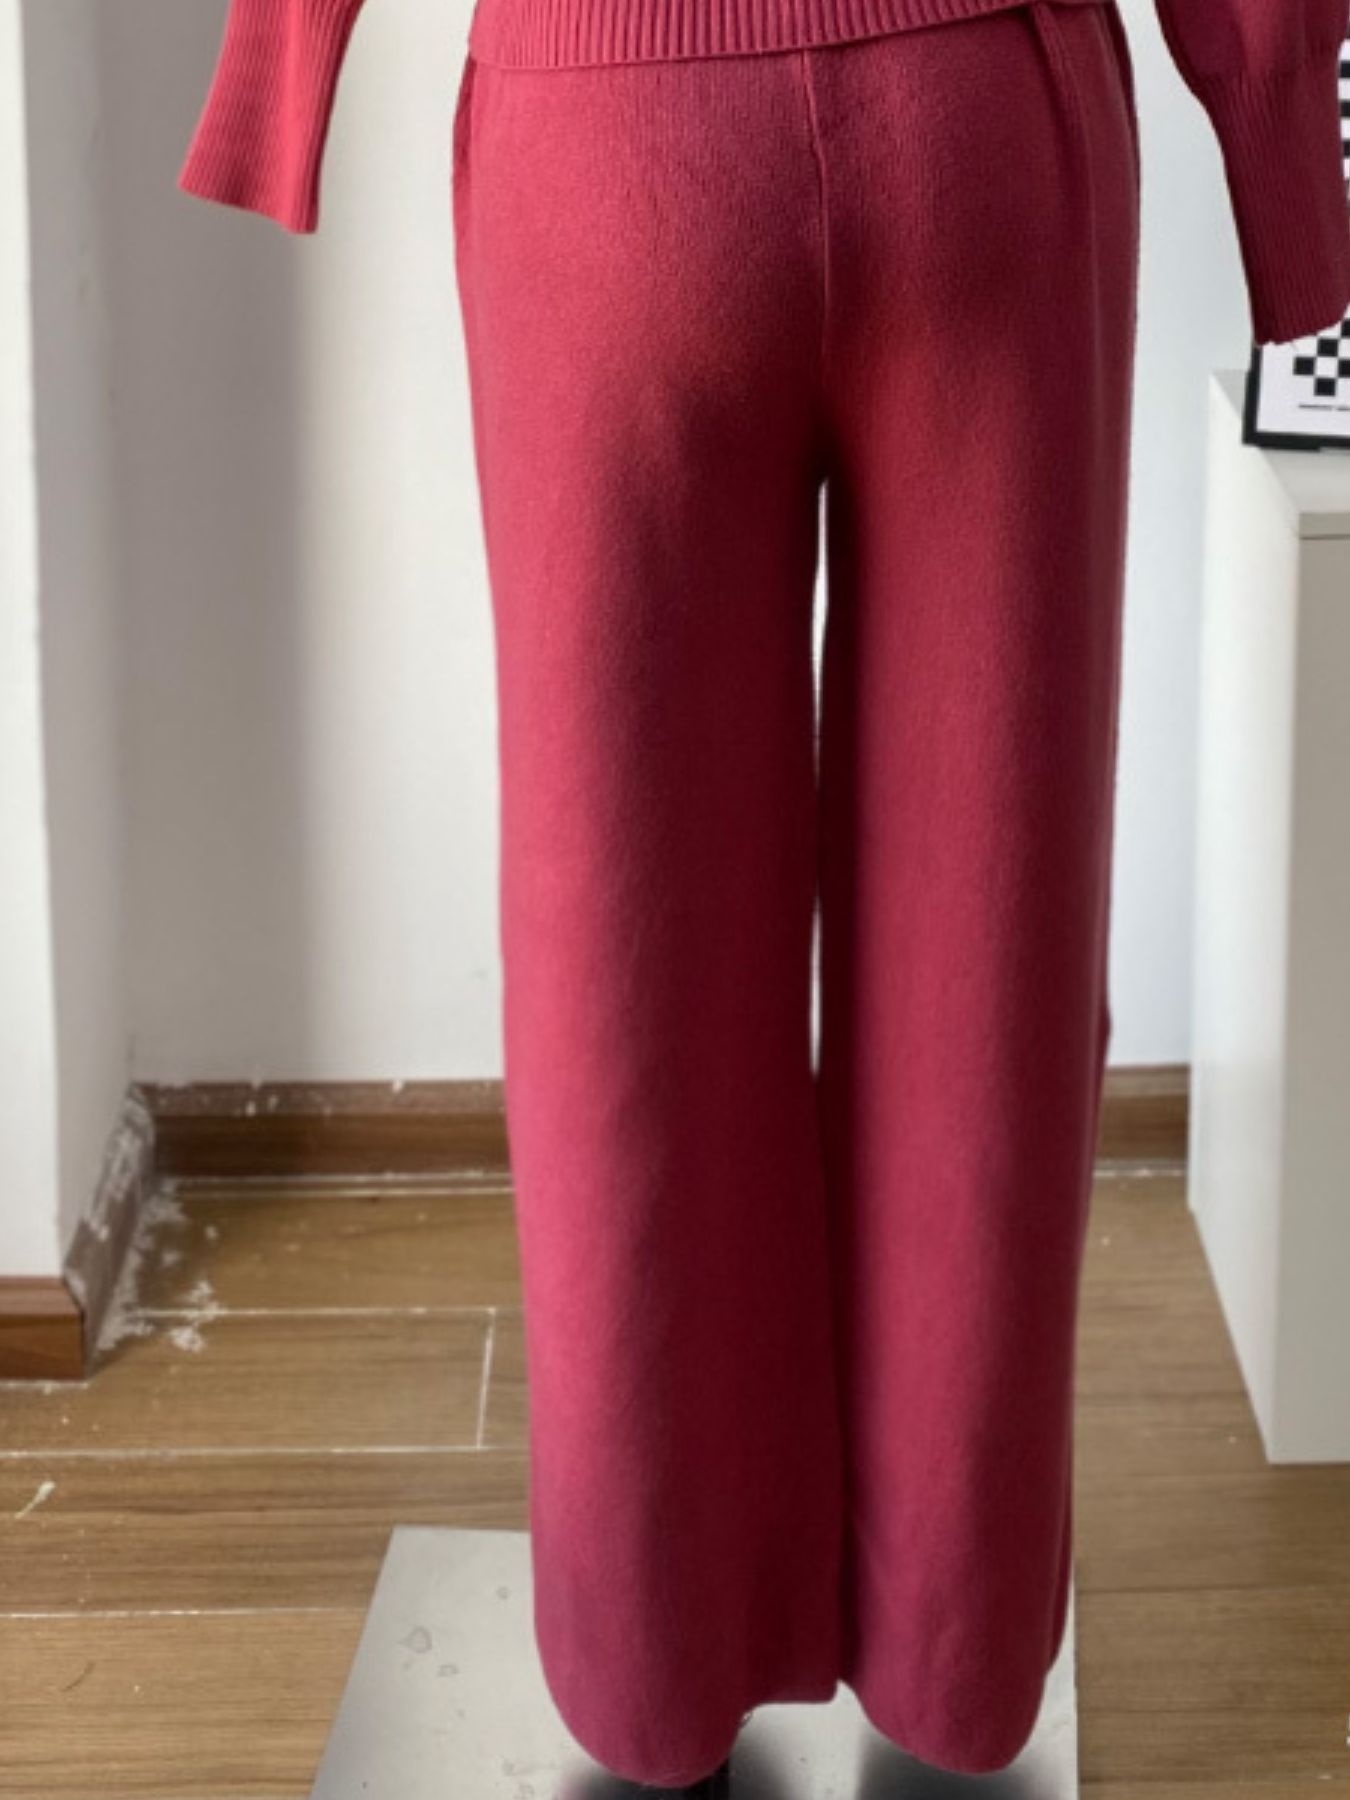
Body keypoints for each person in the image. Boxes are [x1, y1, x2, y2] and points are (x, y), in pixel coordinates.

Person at [178, 0, 1350, 1781]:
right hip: (981, 121)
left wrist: (278, 75)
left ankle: (655, 1671)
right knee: (986, 954)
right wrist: (1276, 144)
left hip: (604, 139)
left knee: (619, 964)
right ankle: (952, 1661)